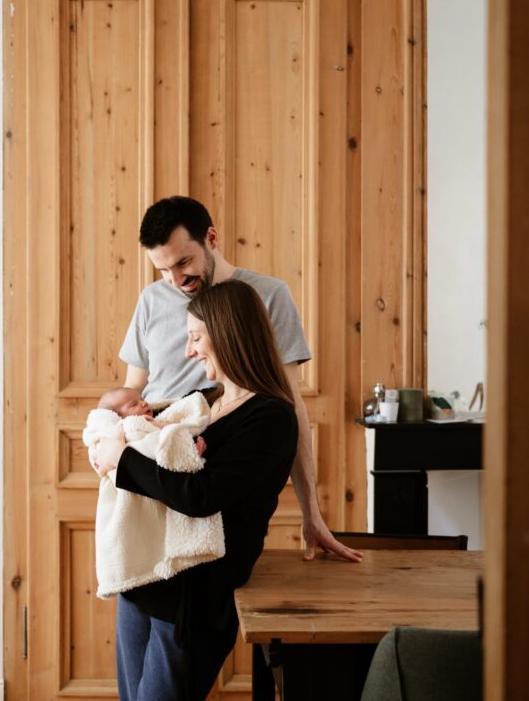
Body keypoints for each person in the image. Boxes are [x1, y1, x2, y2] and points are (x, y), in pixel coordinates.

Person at [93, 279, 299, 701]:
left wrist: (120, 461)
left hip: (198, 599)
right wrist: (119, 436)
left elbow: (200, 495)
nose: (189, 351)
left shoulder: (270, 418)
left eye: (197, 338)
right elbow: (150, 436)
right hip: (146, 582)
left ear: (229, 337)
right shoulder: (205, 401)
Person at [119, 196, 361, 563]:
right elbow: (132, 391)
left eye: (183, 262)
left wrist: (311, 512)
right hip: (152, 469)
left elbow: (290, 402)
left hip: (214, 476)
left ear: (211, 239)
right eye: (163, 270)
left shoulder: (268, 296)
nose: (176, 281)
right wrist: (112, 444)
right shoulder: (152, 299)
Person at [83, 390, 220, 598]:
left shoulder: (142, 423)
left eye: (142, 399)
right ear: (117, 416)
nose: (144, 404)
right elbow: (155, 448)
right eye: (134, 404)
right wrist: (187, 448)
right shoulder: (130, 428)